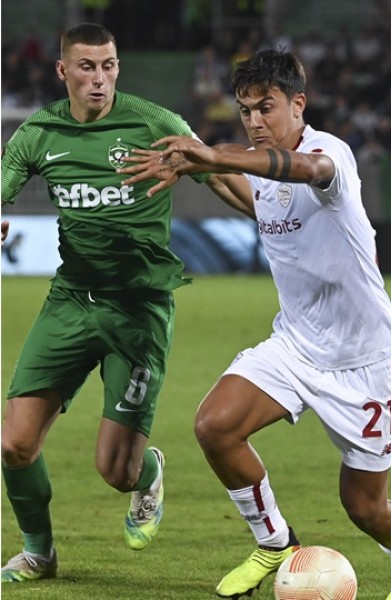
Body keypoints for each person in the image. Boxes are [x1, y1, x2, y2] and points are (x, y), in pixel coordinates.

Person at [121, 48, 391, 599]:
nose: (254, 120)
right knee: (214, 425)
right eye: (245, 110)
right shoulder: (258, 164)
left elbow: (301, 173)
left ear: (298, 103)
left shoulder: (328, 156)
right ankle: (275, 542)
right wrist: (197, 170)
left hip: (364, 360)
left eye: (265, 107)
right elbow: (259, 199)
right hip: (294, 346)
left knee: (364, 506)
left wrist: (215, 156)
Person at [0, 22, 252, 584]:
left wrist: (275, 220)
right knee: (14, 445)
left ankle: (148, 473)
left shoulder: (153, 122)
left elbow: (216, 173)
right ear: (63, 71)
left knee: (115, 471)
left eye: (109, 66)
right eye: (87, 67)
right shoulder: (38, 131)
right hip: (70, 300)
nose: (99, 79)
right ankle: (39, 553)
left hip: (139, 309)